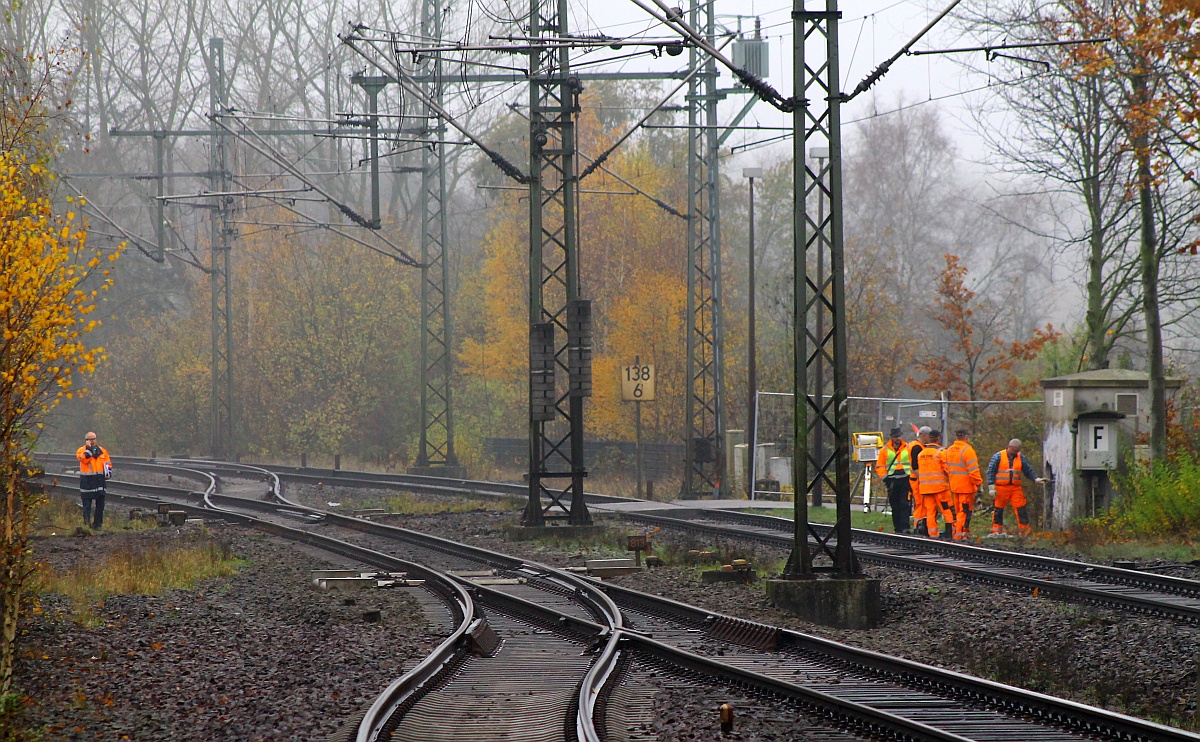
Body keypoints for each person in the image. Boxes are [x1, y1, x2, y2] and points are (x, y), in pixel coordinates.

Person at [986, 438, 1046, 536]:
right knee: (998, 510)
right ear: (1009, 447)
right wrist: (991, 487)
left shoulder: (1020, 457)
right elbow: (991, 471)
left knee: (1021, 509)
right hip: (1001, 488)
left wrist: (1036, 479)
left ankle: (1025, 532)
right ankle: (996, 532)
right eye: (1015, 450)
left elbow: (1027, 470)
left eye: (1018, 450)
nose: (1016, 452)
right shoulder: (998, 456)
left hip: (1015, 488)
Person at [942, 429, 983, 541]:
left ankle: (961, 533)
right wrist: (979, 483)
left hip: (954, 486)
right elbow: (973, 471)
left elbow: (946, 468)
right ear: (966, 437)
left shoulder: (949, 450)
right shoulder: (968, 450)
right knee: (964, 512)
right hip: (966, 487)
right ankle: (959, 535)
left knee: (958, 511)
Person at [916, 429, 957, 539]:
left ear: (929, 438)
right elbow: (948, 469)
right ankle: (950, 534)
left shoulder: (921, 454)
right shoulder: (941, 452)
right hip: (940, 489)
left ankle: (933, 534)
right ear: (938, 439)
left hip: (925, 489)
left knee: (930, 512)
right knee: (947, 510)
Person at [875, 427, 913, 534]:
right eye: (895, 437)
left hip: (905, 479)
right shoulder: (885, 449)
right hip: (891, 480)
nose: (898, 438)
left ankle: (905, 528)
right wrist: (885, 478)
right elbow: (880, 466)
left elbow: (912, 462)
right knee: (895, 506)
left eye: (899, 436)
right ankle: (897, 528)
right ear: (892, 437)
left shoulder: (908, 448)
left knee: (905, 504)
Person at [76, 431, 112, 529]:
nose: (92, 441)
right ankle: (87, 525)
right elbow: (84, 459)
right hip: (87, 482)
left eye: (94, 439)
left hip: (99, 481)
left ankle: (97, 525)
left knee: (100, 504)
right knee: (87, 505)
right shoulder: (81, 450)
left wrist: (108, 472)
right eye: (90, 439)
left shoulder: (102, 451)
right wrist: (89, 450)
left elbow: (108, 463)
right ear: (86, 440)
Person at [908, 426, 933, 536]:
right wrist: (923, 479)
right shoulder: (917, 447)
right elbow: (915, 466)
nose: (930, 438)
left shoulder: (919, 446)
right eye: (929, 436)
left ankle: (921, 525)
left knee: (922, 504)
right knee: (919, 504)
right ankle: (917, 526)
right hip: (917, 480)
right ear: (924, 435)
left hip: (918, 480)